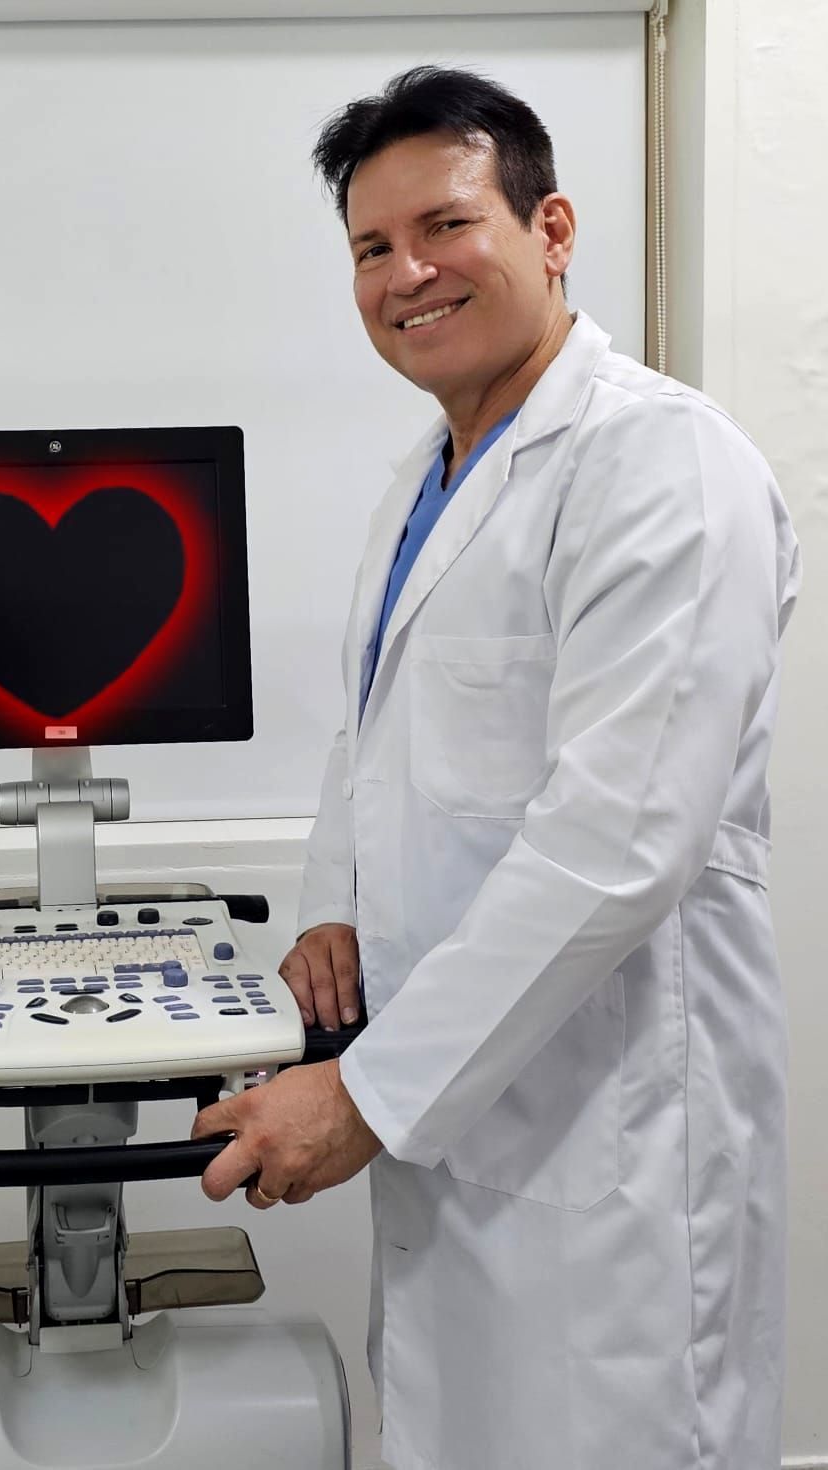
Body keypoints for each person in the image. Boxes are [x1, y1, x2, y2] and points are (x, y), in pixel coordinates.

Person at [194, 67, 799, 1470]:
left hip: (616, 1133)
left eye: (442, 226)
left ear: (550, 229)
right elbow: (374, 732)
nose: (403, 273)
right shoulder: (425, 476)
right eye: (367, 248)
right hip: (457, 1108)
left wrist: (361, 1094)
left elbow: (614, 841)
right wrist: (330, 899)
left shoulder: (659, 468)